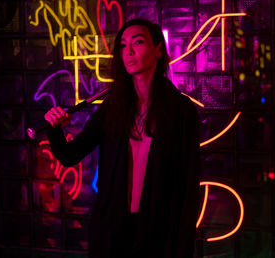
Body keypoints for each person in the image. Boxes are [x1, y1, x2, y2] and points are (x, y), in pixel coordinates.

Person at [44, 18, 201, 258]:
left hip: (160, 230)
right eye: (123, 45)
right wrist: (54, 128)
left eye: (138, 42)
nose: (128, 51)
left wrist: (184, 243)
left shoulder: (181, 110)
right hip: (113, 230)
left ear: (159, 49)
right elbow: (69, 155)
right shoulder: (113, 107)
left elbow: (189, 185)